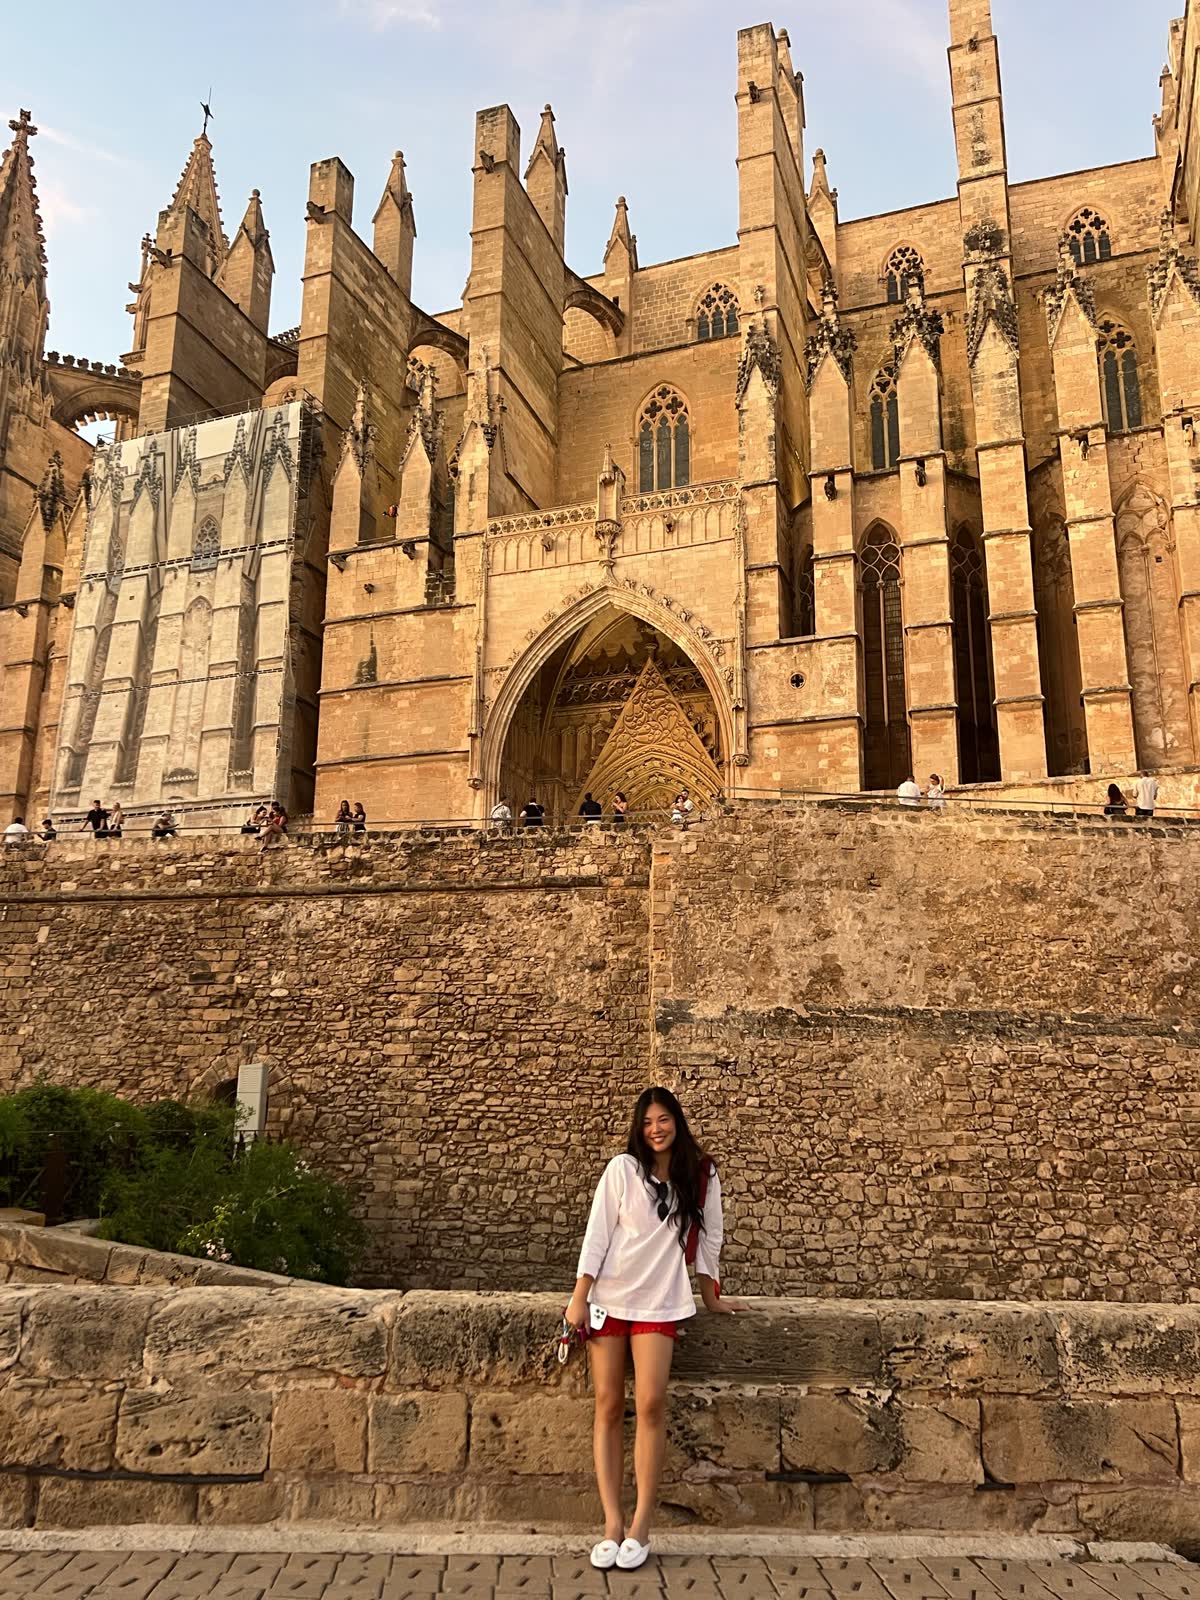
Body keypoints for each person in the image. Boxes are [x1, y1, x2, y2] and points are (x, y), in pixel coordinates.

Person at [565, 1088, 742, 1574]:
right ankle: (612, 1524)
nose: (655, 1129)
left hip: (660, 1302)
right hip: (609, 1300)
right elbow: (597, 1234)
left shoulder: (700, 1175)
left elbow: (710, 1236)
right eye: (646, 1122)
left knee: (650, 1404)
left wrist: (711, 1296)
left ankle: (641, 1525)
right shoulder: (622, 1170)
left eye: (663, 1120)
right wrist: (579, 1297)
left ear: (677, 1122)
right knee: (607, 1405)